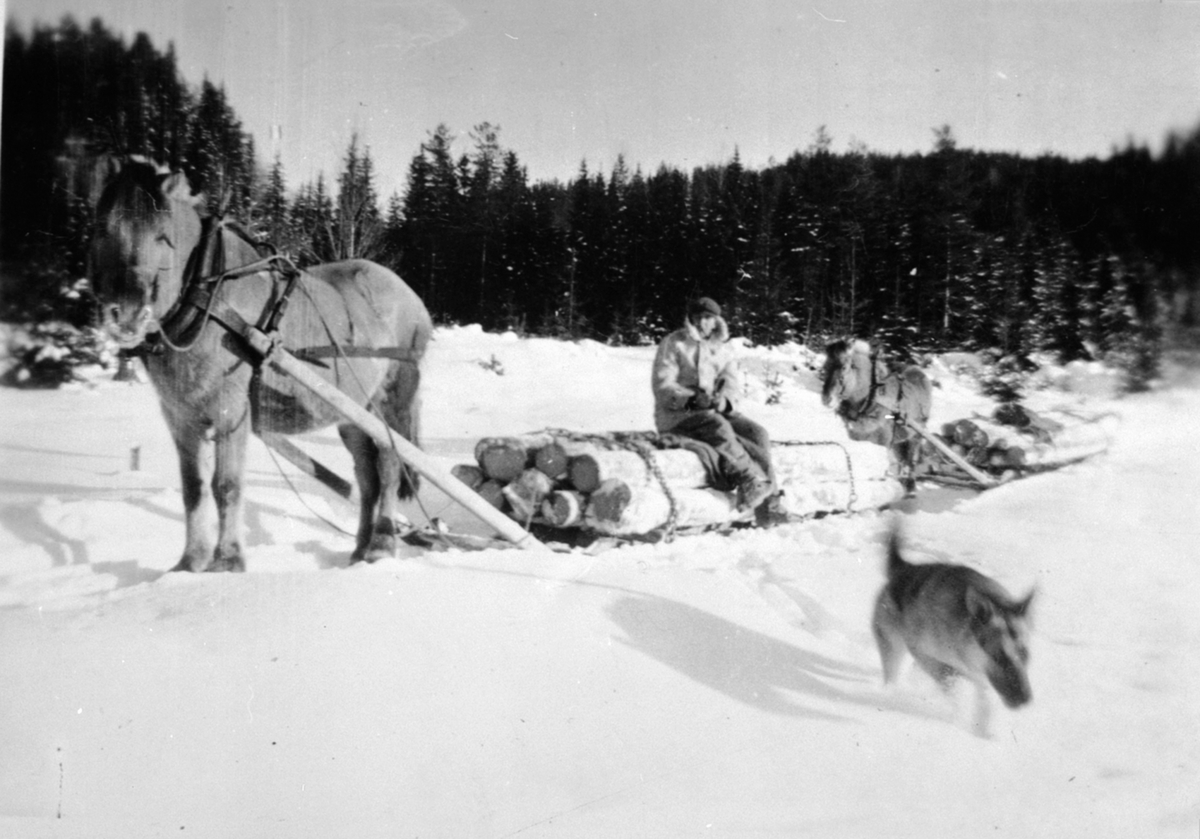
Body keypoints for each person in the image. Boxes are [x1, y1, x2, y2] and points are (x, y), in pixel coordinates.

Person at [652, 296, 776, 515]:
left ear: (716, 321)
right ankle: (749, 480)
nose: (702, 322)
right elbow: (663, 386)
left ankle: (770, 501)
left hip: (712, 411)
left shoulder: (723, 350)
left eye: (708, 318)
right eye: (697, 318)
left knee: (756, 433)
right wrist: (690, 400)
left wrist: (723, 402)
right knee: (717, 426)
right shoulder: (674, 343)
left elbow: (732, 388)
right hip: (678, 416)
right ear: (690, 320)